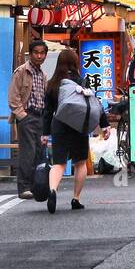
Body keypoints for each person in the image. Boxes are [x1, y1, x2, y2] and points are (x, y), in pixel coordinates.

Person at [42, 48, 94, 213]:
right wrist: (104, 124)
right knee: (80, 162)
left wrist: (44, 133)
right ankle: (76, 199)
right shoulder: (82, 81)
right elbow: (92, 104)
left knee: (58, 164)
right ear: (75, 62)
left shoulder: (52, 83)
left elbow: (47, 112)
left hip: (59, 125)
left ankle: (52, 190)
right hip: (78, 126)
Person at [8, 39, 49, 200]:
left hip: (40, 116)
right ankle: (23, 187)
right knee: (28, 153)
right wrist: (22, 116)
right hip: (27, 116)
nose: (39, 56)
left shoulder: (42, 74)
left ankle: (36, 187)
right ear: (30, 54)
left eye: (42, 53)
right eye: (36, 53)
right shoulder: (21, 72)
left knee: (39, 153)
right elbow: (13, 97)